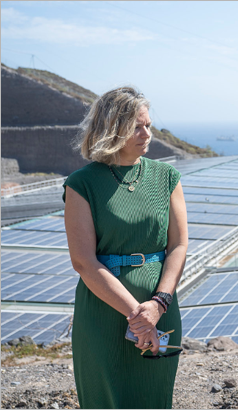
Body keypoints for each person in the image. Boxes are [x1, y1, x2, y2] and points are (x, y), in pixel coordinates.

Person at [63, 86, 188, 408]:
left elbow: (178, 245)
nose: (147, 133)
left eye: (148, 125)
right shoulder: (82, 183)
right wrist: (137, 315)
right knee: (108, 397)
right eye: (137, 126)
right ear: (111, 129)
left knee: (154, 396)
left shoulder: (167, 177)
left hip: (160, 308)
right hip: (104, 312)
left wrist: (158, 304)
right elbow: (83, 262)